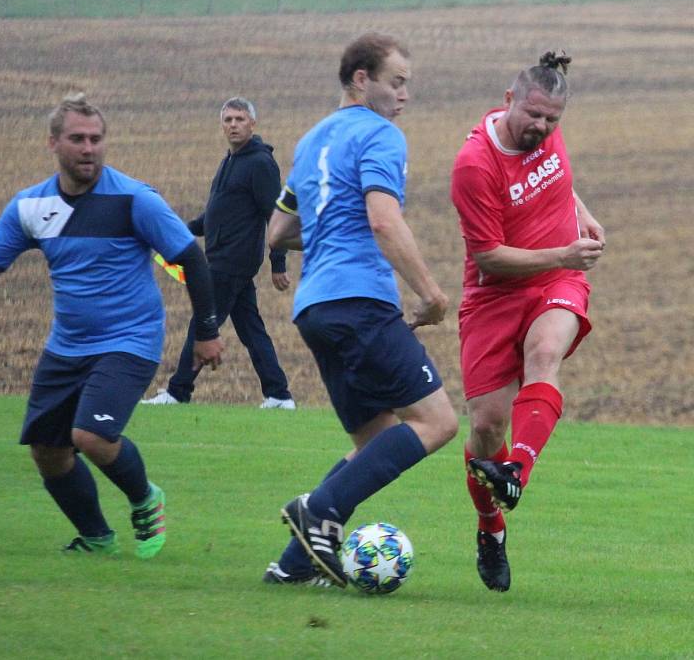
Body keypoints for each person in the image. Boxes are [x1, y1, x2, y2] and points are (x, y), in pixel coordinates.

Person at [0, 93, 225, 558]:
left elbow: (191, 259)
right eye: (78, 139)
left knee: (91, 436)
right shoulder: (30, 206)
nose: (89, 148)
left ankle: (145, 498)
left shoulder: (134, 200)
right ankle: (97, 537)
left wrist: (206, 332)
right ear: (53, 143)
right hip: (67, 346)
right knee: (48, 450)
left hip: (130, 340)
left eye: (96, 139)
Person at [264, 33, 458, 587]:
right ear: (360, 79)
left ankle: (295, 564)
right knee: (437, 422)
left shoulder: (311, 142)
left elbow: (277, 232)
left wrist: (327, 230)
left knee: (374, 442)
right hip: (360, 302)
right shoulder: (381, 136)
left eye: (407, 85)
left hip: (315, 309)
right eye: (395, 82)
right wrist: (430, 294)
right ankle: (317, 510)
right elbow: (382, 219)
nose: (404, 95)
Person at [449, 52, 605, 591]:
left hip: (556, 282)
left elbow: (556, 169)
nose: (541, 127)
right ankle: (490, 528)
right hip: (494, 295)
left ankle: (517, 471)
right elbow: (490, 257)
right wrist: (564, 252)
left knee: (545, 355)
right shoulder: (475, 164)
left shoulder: (545, 134)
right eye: (534, 116)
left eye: (552, 120)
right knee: (487, 425)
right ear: (508, 99)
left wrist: (578, 209)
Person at [143, 97, 295, 410]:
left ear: (253, 124)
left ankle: (178, 391)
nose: (234, 125)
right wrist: (177, 231)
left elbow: (275, 215)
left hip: (232, 262)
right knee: (252, 331)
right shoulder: (230, 160)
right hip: (224, 260)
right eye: (228, 120)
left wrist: (277, 263)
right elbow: (214, 215)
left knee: (203, 324)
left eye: (240, 119)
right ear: (222, 126)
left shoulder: (260, 164)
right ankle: (279, 395)